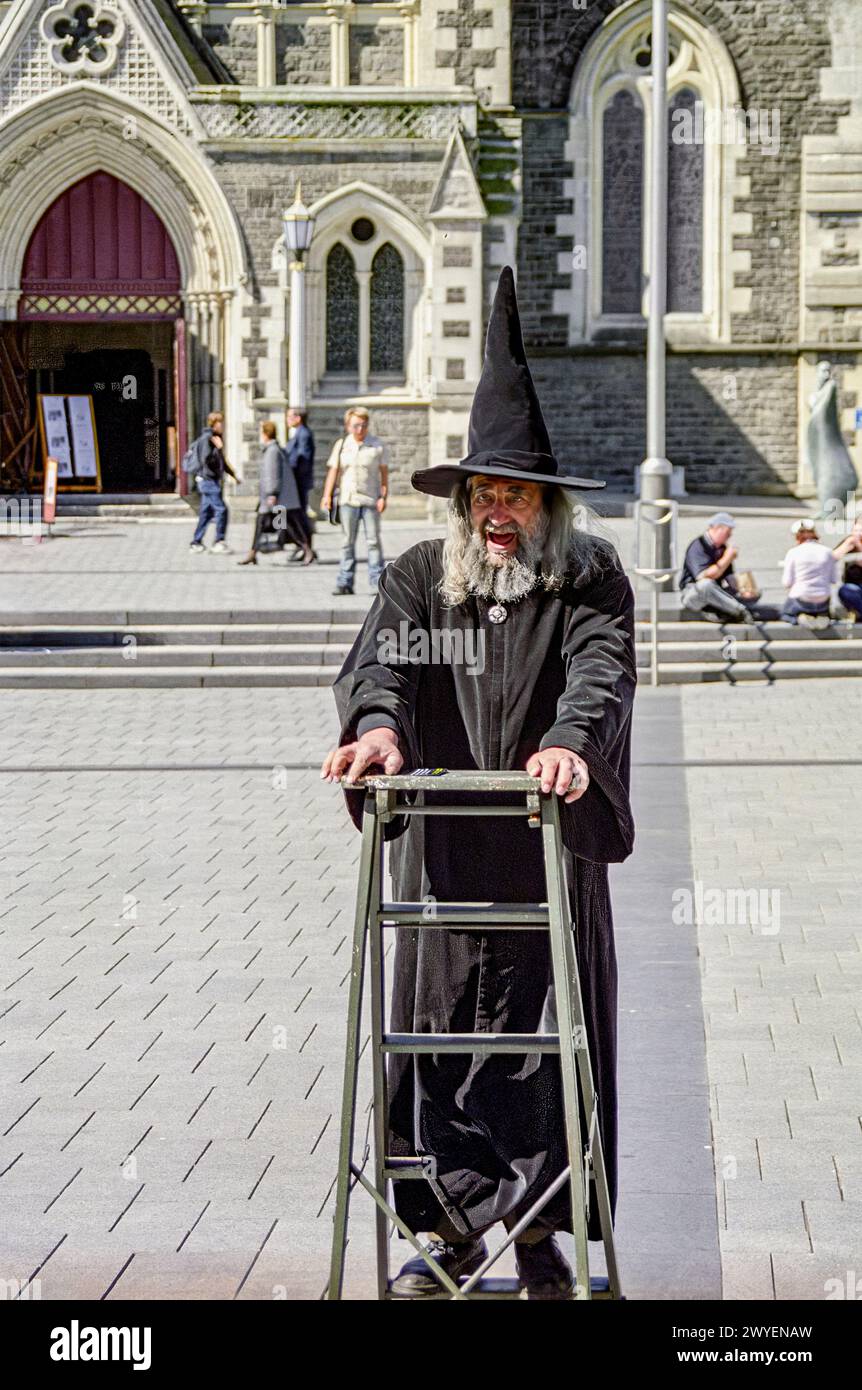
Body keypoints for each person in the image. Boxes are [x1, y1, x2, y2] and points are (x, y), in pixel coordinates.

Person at [320, 267, 637, 1300]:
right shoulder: (419, 576)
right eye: (484, 493)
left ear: (549, 503)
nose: (499, 512)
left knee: (553, 1053)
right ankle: (449, 1233)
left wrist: (569, 744)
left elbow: (600, 669)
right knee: (439, 1052)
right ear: (462, 503)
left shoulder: (588, 577)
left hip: (549, 857)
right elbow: (384, 667)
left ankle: (545, 1235)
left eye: (518, 493)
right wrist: (376, 731)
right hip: (448, 864)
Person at [320, 407, 388, 596]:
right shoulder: (342, 445)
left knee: (373, 541)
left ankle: (377, 582)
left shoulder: (376, 445)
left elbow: (383, 474)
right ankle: (344, 581)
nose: (360, 429)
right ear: (348, 426)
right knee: (347, 542)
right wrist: (327, 495)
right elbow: (333, 471)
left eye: (364, 425)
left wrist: (383, 496)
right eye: (356, 425)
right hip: (348, 500)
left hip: (370, 500)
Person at [237, 421, 315, 567]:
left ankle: (307, 550)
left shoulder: (272, 451)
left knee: (287, 524)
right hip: (280, 497)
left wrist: (272, 493)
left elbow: (273, 474)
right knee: (275, 524)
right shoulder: (274, 449)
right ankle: (253, 553)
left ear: (265, 434)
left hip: (277, 498)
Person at [678, 512, 755, 623]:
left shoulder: (723, 549)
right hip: (694, 594)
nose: (730, 536)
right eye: (728, 532)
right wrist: (727, 558)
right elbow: (704, 576)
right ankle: (739, 611)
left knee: (749, 593)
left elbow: (730, 578)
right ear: (717, 528)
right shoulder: (698, 545)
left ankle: (727, 610)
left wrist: (743, 589)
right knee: (706, 585)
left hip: (715, 592)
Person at [189, 411, 239, 555]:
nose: (223, 425)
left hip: (211, 480)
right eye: (221, 422)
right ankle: (219, 541)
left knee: (206, 513)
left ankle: (196, 542)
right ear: (214, 423)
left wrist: (233, 475)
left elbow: (221, 460)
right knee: (222, 510)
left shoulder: (215, 438)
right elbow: (206, 460)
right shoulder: (207, 439)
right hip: (208, 481)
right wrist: (218, 447)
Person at [780, 519, 838, 628]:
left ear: (797, 536)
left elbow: (786, 582)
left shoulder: (793, 552)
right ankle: (821, 616)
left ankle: (797, 618)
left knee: (784, 614)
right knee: (822, 606)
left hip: (801, 598)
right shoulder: (828, 552)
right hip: (823, 599)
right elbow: (834, 579)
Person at [285, 408, 316, 563]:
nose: (287, 419)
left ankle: (306, 547)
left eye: (290, 416)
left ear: (298, 418)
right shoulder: (298, 433)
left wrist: (289, 470)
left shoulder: (303, 434)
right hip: (296, 482)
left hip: (298, 482)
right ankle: (302, 546)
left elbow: (302, 457)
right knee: (297, 515)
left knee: (299, 515)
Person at [833, 516, 862, 620]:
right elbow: (831, 558)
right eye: (856, 530)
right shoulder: (849, 542)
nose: (859, 534)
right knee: (846, 590)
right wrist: (845, 546)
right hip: (854, 587)